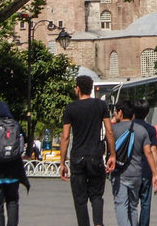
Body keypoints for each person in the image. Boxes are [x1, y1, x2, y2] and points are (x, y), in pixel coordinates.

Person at [60, 75, 116, 226]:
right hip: (95, 155)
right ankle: (98, 224)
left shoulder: (70, 108)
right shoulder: (101, 105)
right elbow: (109, 131)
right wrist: (112, 155)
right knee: (97, 195)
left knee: (80, 199)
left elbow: (65, 137)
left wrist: (62, 162)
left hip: (77, 157)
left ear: (77, 88)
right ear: (91, 89)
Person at [110, 99, 157, 226]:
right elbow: (149, 152)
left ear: (120, 112)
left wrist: (114, 121)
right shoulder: (141, 130)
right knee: (133, 207)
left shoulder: (113, 130)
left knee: (121, 204)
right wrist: (155, 173)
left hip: (120, 174)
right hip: (136, 174)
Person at [132, 99, 157, 226]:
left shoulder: (129, 127)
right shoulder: (151, 129)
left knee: (132, 203)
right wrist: (155, 173)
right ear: (147, 112)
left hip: (131, 170)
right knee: (146, 203)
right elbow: (153, 150)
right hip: (146, 170)